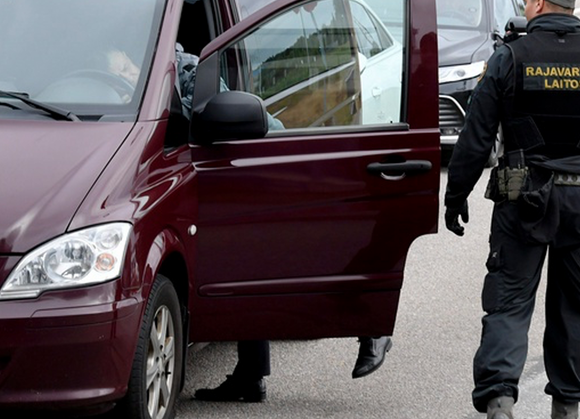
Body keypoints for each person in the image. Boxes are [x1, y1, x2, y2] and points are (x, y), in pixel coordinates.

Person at [106, 46, 391, 402]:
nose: (121, 77)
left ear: (142, 56)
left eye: (121, 66)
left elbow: (223, 126)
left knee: (291, 262)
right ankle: (250, 375)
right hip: (229, 179)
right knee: (246, 264)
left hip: (269, 163)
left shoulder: (186, 75)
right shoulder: (149, 73)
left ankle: (371, 324)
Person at [443, 0, 580, 419]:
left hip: (523, 202)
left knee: (509, 303)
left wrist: (455, 196)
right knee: (573, 306)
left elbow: (475, 138)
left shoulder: (510, 59)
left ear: (538, 4)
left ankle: (500, 402)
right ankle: (566, 408)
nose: (523, 5)